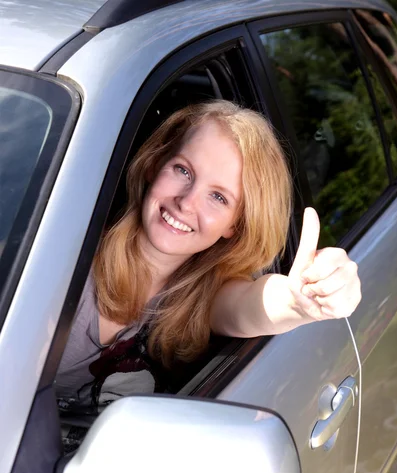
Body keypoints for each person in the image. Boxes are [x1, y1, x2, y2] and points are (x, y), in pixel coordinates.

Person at [56, 100, 361, 416]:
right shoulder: (65, 260)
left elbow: (250, 306)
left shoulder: (206, 296)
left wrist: (299, 301)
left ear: (235, 225)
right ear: (154, 164)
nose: (186, 202)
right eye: (182, 170)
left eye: (218, 197)